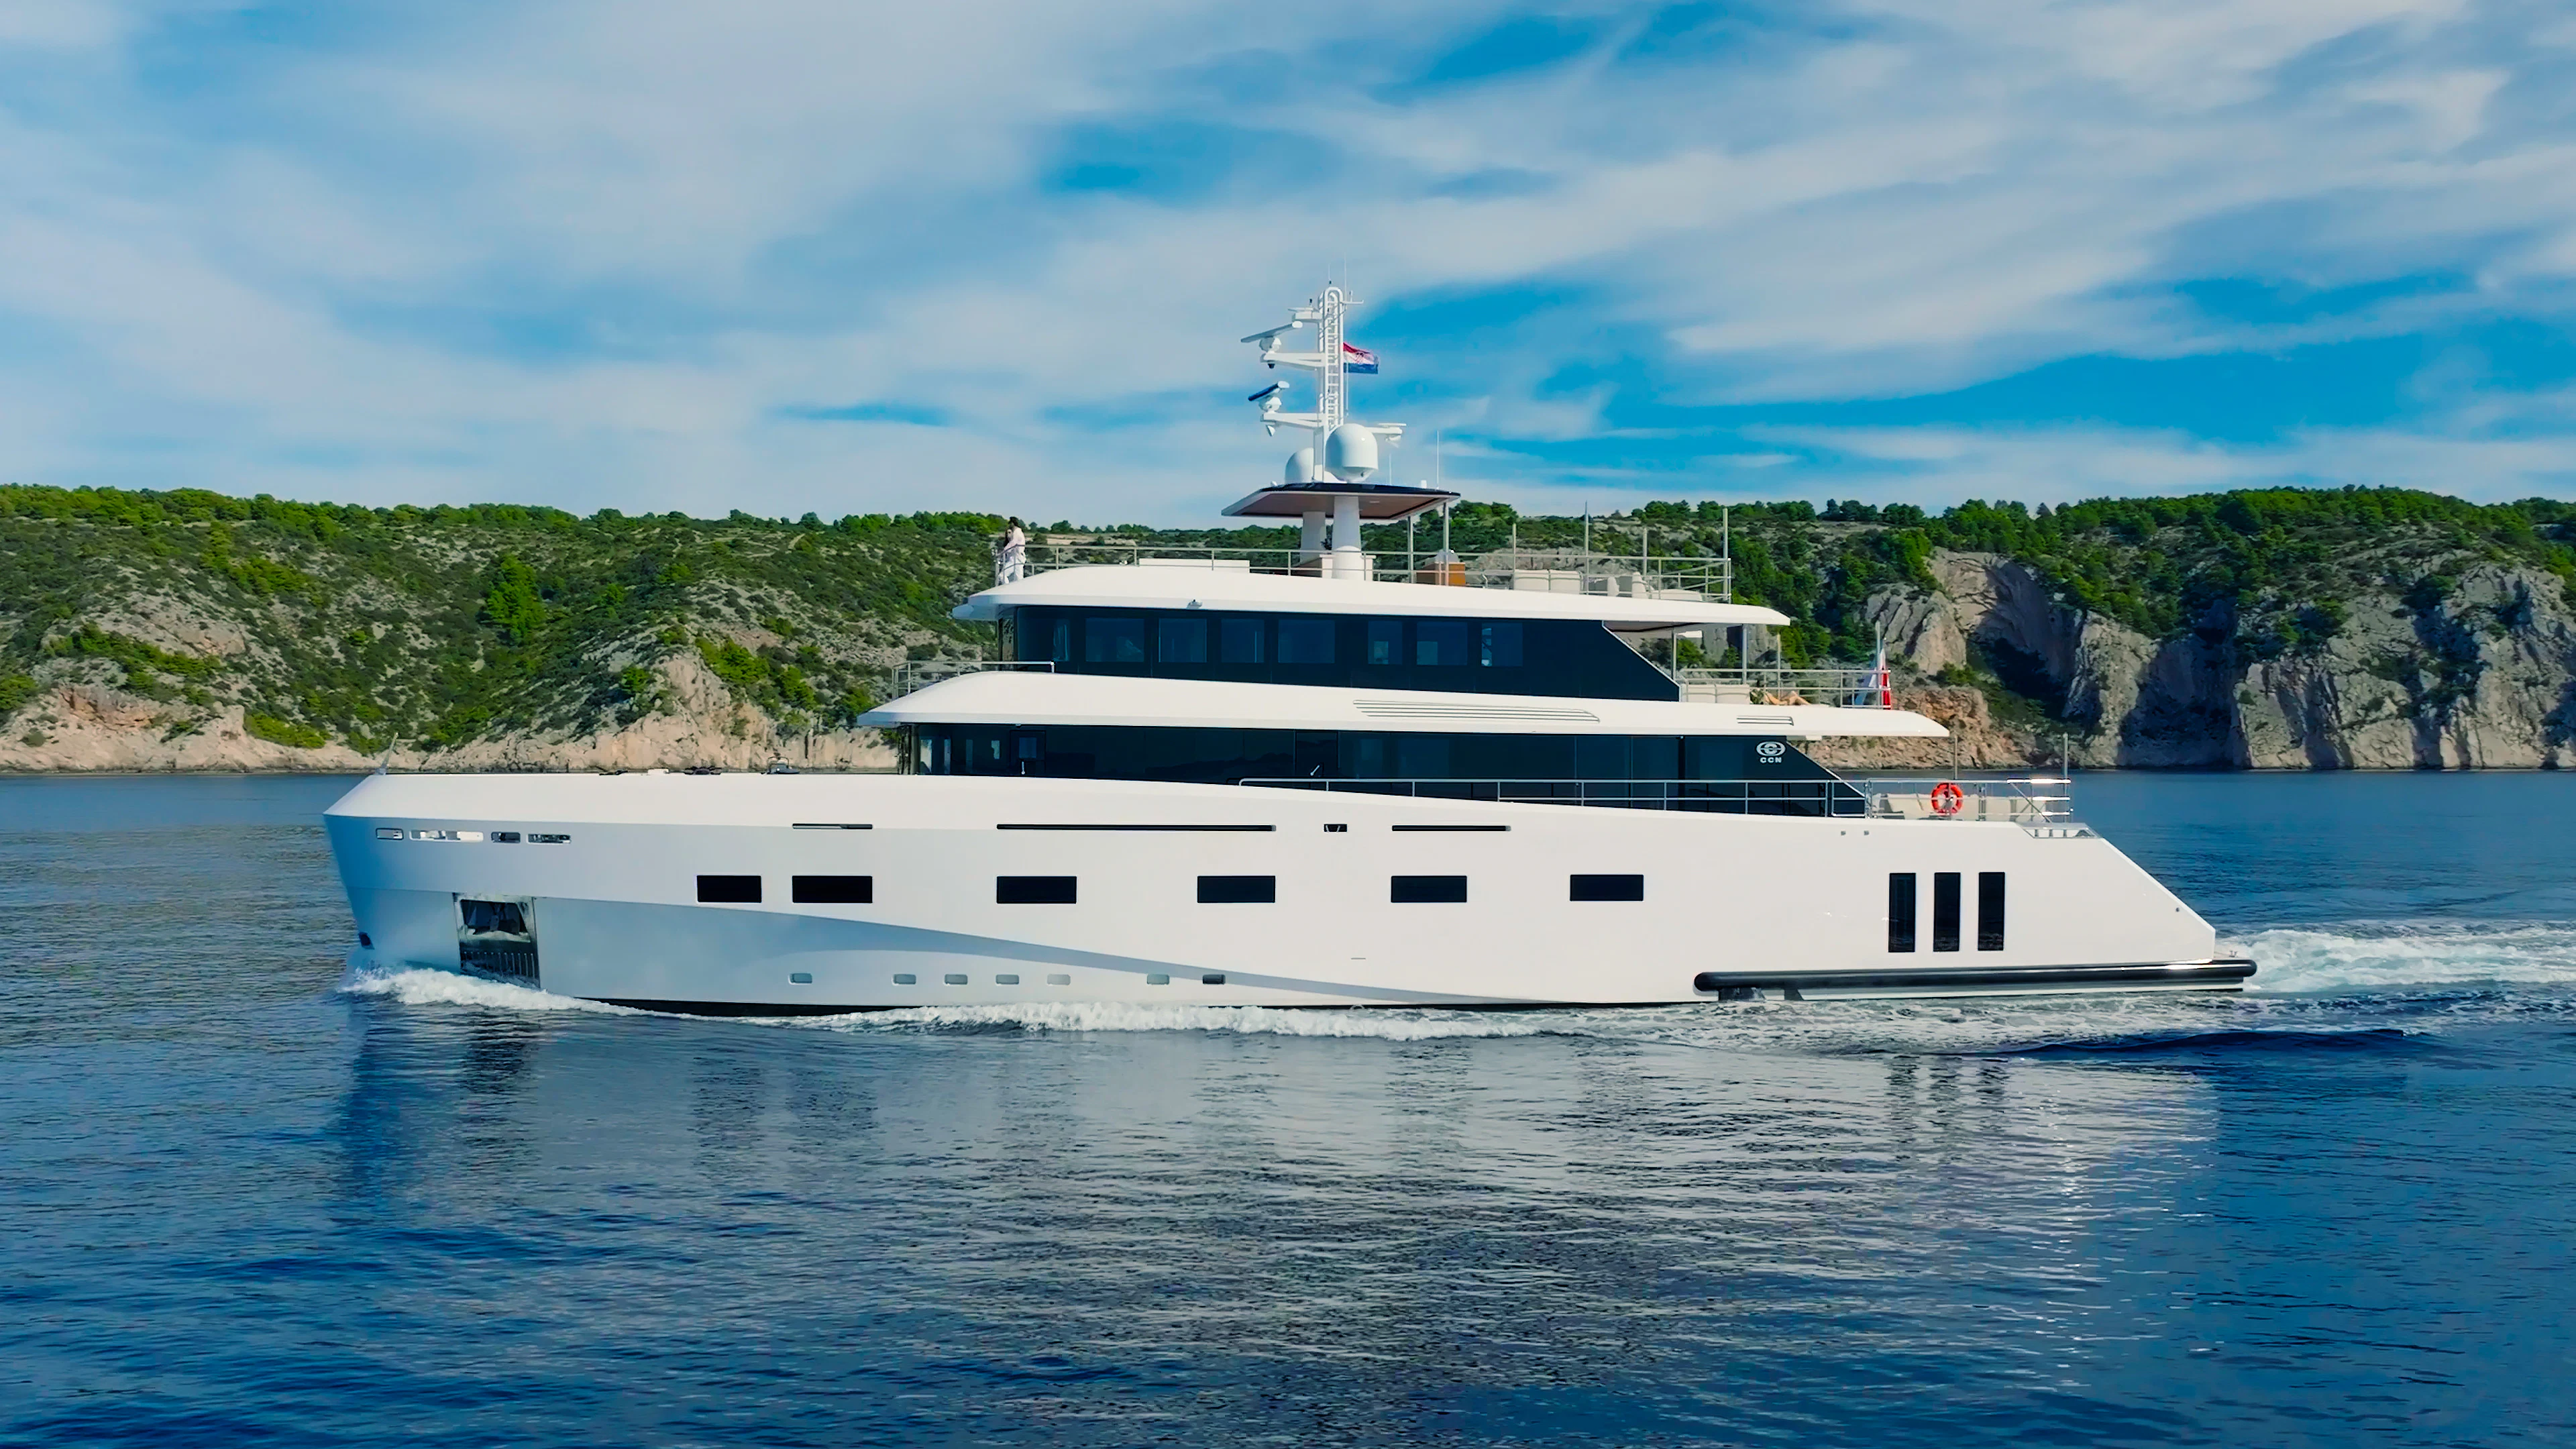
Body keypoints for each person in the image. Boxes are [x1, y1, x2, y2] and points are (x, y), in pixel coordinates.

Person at [995, 517, 1028, 584]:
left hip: (1016, 558)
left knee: (1003, 576)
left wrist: (1001, 553)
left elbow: (1013, 543)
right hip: (1017, 558)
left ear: (1012, 523)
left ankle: (1007, 589)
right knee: (1018, 579)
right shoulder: (1018, 532)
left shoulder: (1017, 531)